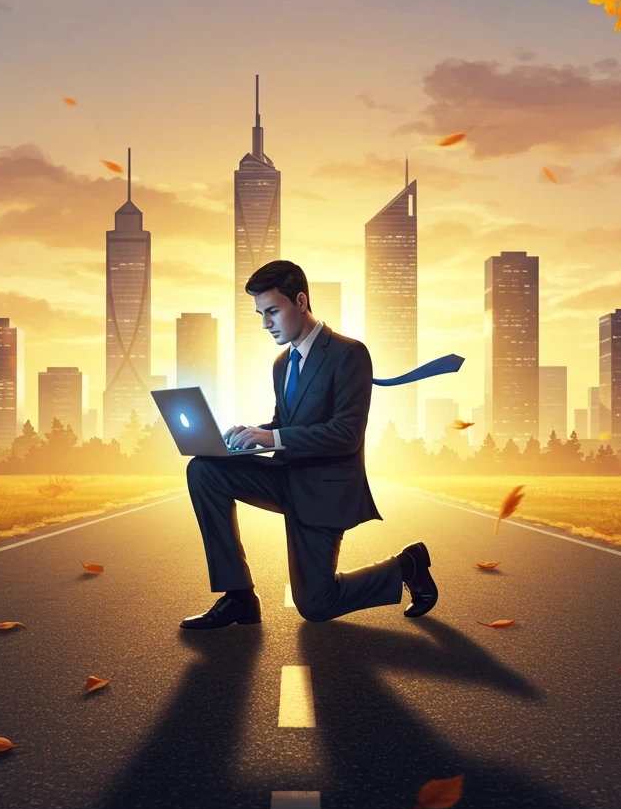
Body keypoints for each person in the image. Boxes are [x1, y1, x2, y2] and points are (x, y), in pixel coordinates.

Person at [180, 259, 437, 629]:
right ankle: (239, 598)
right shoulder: (281, 364)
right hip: (285, 477)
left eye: (272, 311)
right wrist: (250, 435)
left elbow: (346, 434)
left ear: (300, 302)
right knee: (205, 470)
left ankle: (407, 565)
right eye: (259, 314)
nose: (266, 324)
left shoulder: (350, 354)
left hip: (323, 490)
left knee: (316, 605)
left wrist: (274, 437)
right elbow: (284, 426)